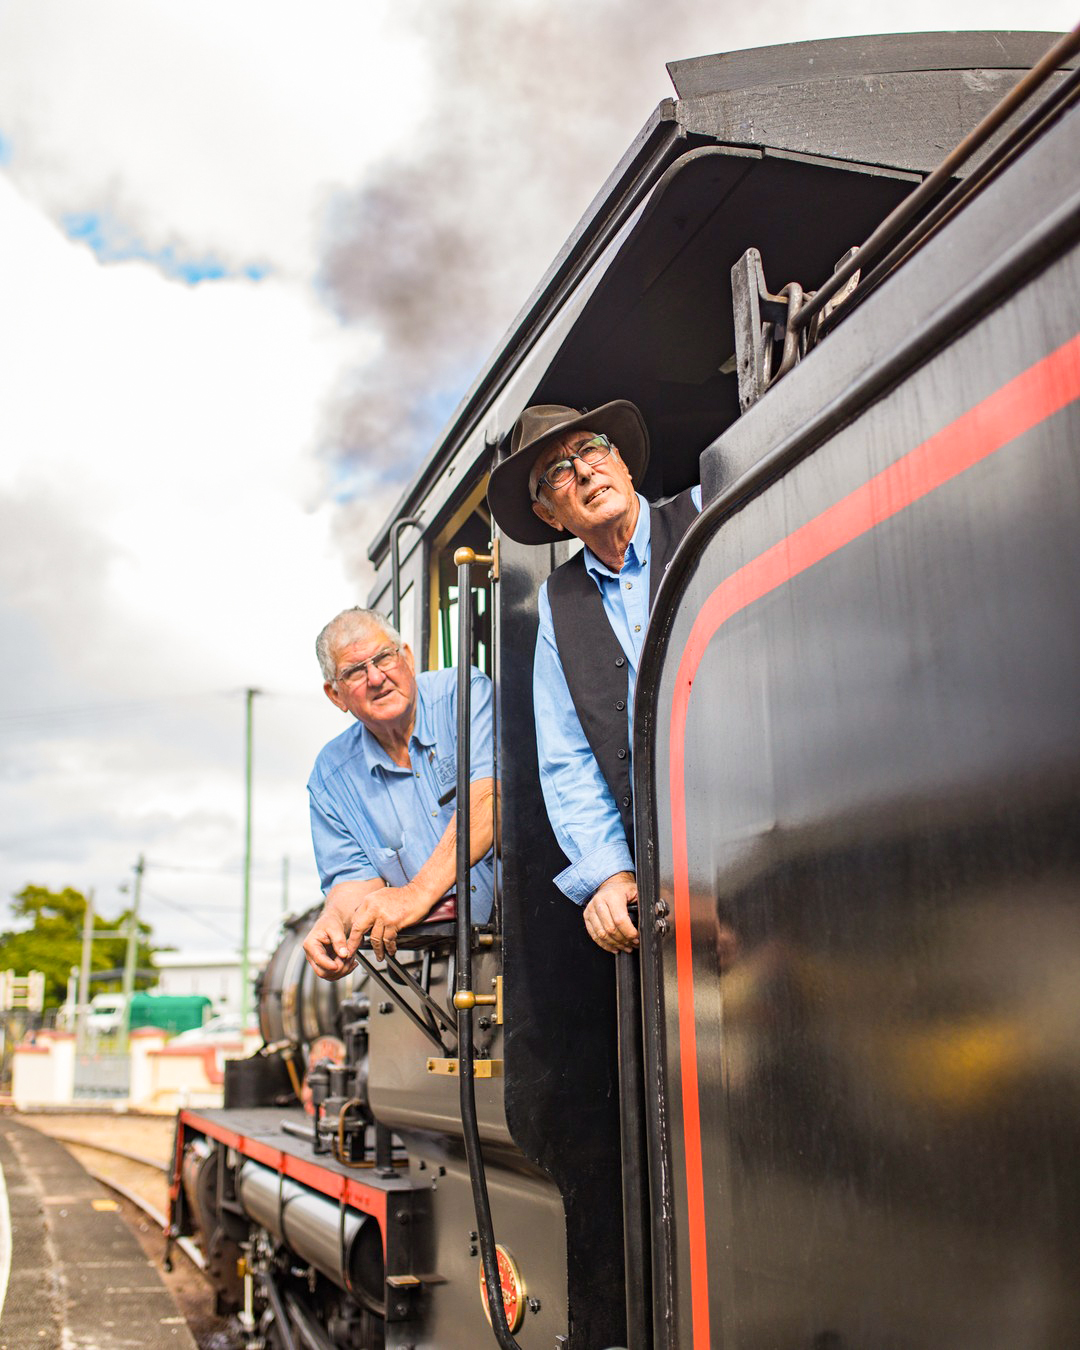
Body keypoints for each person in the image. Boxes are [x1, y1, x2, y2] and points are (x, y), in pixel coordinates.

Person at [487, 402, 700, 955]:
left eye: (590, 449)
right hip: (667, 865)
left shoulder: (707, 508)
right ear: (550, 516)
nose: (583, 470)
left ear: (622, 464)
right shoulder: (558, 601)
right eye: (558, 471)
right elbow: (568, 756)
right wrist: (608, 871)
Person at [303, 606, 495, 975]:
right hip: (436, 967)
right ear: (336, 695)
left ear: (405, 656)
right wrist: (333, 923)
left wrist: (414, 894)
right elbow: (354, 881)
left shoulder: (463, 694)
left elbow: (487, 803)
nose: (376, 677)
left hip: (522, 935)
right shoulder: (330, 776)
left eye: (383, 658)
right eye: (355, 672)